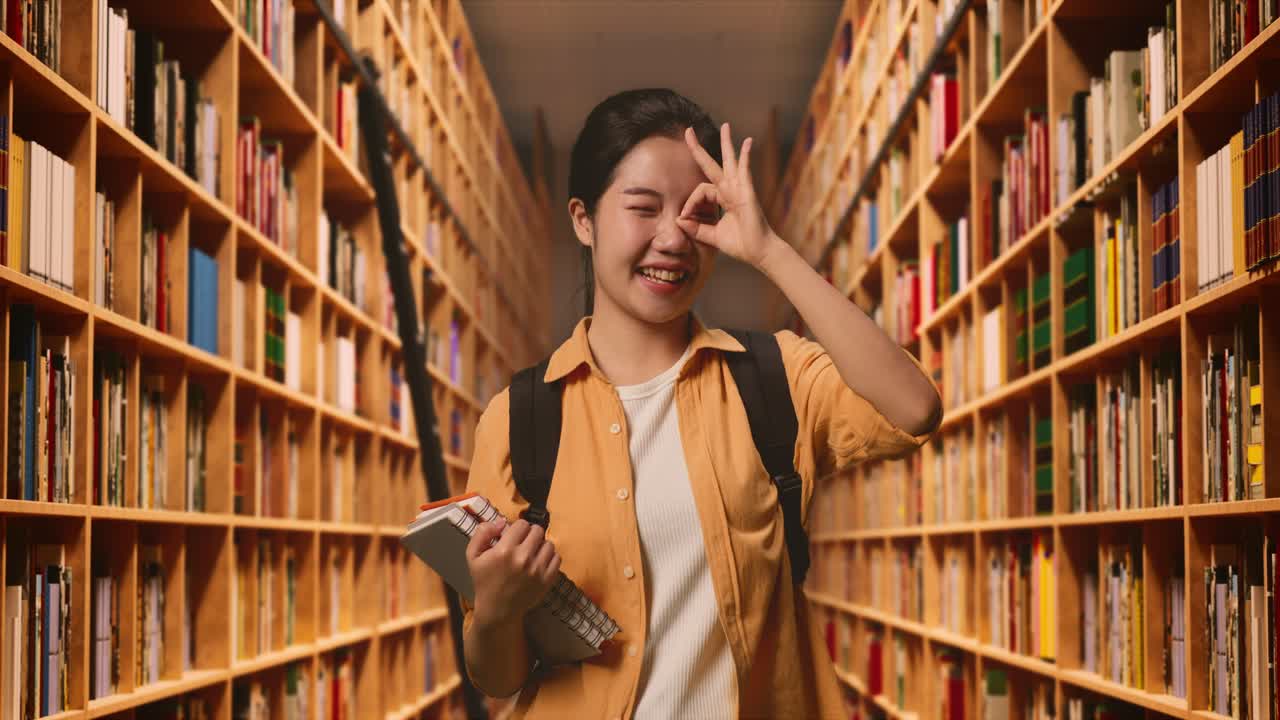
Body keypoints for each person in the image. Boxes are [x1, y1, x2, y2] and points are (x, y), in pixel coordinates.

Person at [460, 88, 941, 719]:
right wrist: (496, 609)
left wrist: (771, 251)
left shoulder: (773, 378)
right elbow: (497, 679)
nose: (674, 238)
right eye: (642, 208)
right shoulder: (520, 418)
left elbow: (914, 409)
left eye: (694, 212)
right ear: (583, 219)